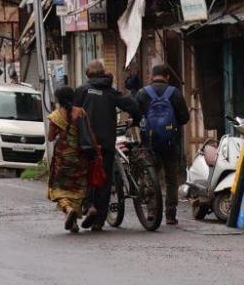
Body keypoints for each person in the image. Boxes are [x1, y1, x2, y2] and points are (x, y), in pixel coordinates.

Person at [72, 61, 140, 231]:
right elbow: (131, 105)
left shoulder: (82, 90)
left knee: (86, 176)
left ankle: (89, 206)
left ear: (88, 74)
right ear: (103, 73)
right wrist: (136, 119)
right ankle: (99, 221)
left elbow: (72, 113)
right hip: (107, 142)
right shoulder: (110, 91)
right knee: (104, 179)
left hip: (86, 142)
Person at [136, 62, 191, 226]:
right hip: (170, 142)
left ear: (151, 77)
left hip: (149, 142)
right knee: (171, 179)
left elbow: (136, 116)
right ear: (167, 77)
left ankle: (152, 213)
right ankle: (170, 215)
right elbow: (184, 118)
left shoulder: (142, 93)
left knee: (149, 177)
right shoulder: (175, 93)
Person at [44, 85, 97, 233]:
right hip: (81, 155)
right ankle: (89, 208)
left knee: (59, 188)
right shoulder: (81, 112)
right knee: (79, 187)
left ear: (58, 99)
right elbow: (89, 133)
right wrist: (95, 151)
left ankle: (68, 210)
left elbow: (50, 137)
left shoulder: (55, 116)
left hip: (63, 157)